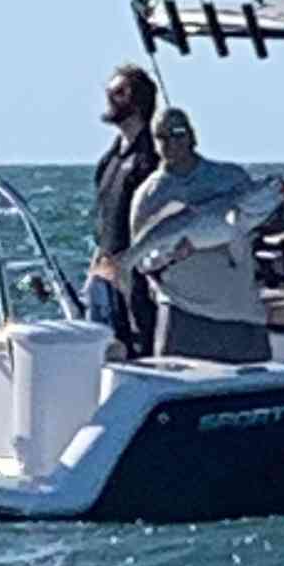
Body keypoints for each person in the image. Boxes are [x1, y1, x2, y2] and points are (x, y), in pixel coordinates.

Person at [127, 106, 284, 363]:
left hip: (241, 314)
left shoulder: (231, 177)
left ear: (192, 136)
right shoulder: (147, 195)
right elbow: (144, 262)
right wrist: (169, 257)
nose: (171, 142)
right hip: (183, 316)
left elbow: (267, 225)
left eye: (177, 133)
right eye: (161, 136)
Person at [84, 63, 159, 353]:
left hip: (138, 276)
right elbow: (105, 219)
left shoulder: (150, 158)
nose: (109, 98)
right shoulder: (109, 160)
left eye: (118, 92)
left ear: (138, 101)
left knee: (141, 348)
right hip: (106, 273)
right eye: (109, 92)